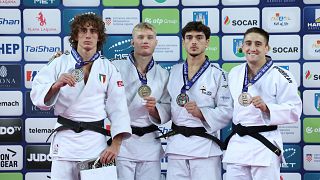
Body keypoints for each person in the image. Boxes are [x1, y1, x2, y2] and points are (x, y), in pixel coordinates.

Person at [30, 13, 131, 180]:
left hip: (95, 144)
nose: (88, 35)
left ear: (99, 37)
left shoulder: (109, 68)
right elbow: (37, 95)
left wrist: (116, 144)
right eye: (83, 30)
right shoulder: (59, 63)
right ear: (76, 35)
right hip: (65, 143)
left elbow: (119, 109)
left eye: (93, 31)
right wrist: (55, 85)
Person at [222, 27, 302, 180]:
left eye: (258, 44)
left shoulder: (281, 75)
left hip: (264, 144)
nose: (252, 48)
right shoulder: (234, 73)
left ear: (267, 48)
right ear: (243, 47)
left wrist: (267, 108)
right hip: (238, 143)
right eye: (248, 43)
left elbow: (294, 110)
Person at [161, 21, 233, 180]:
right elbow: (167, 106)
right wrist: (154, 110)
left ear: (207, 42)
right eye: (189, 37)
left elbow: (227, 111)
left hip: (204, 147)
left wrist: (202, 113)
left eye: (199, 37)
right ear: (183, 42)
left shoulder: (219, 74)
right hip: (177, 146)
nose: (194, 42)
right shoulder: (173, 71)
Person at [111, 22, 171, 180]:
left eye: (150, 37)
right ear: (132, 42)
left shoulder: (163, 74)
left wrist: (155, 110)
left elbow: (167, 106)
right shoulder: (115, 68)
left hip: (149, 144)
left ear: (155, 43)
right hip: (122, 142)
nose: (145, 41)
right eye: (141, 37)